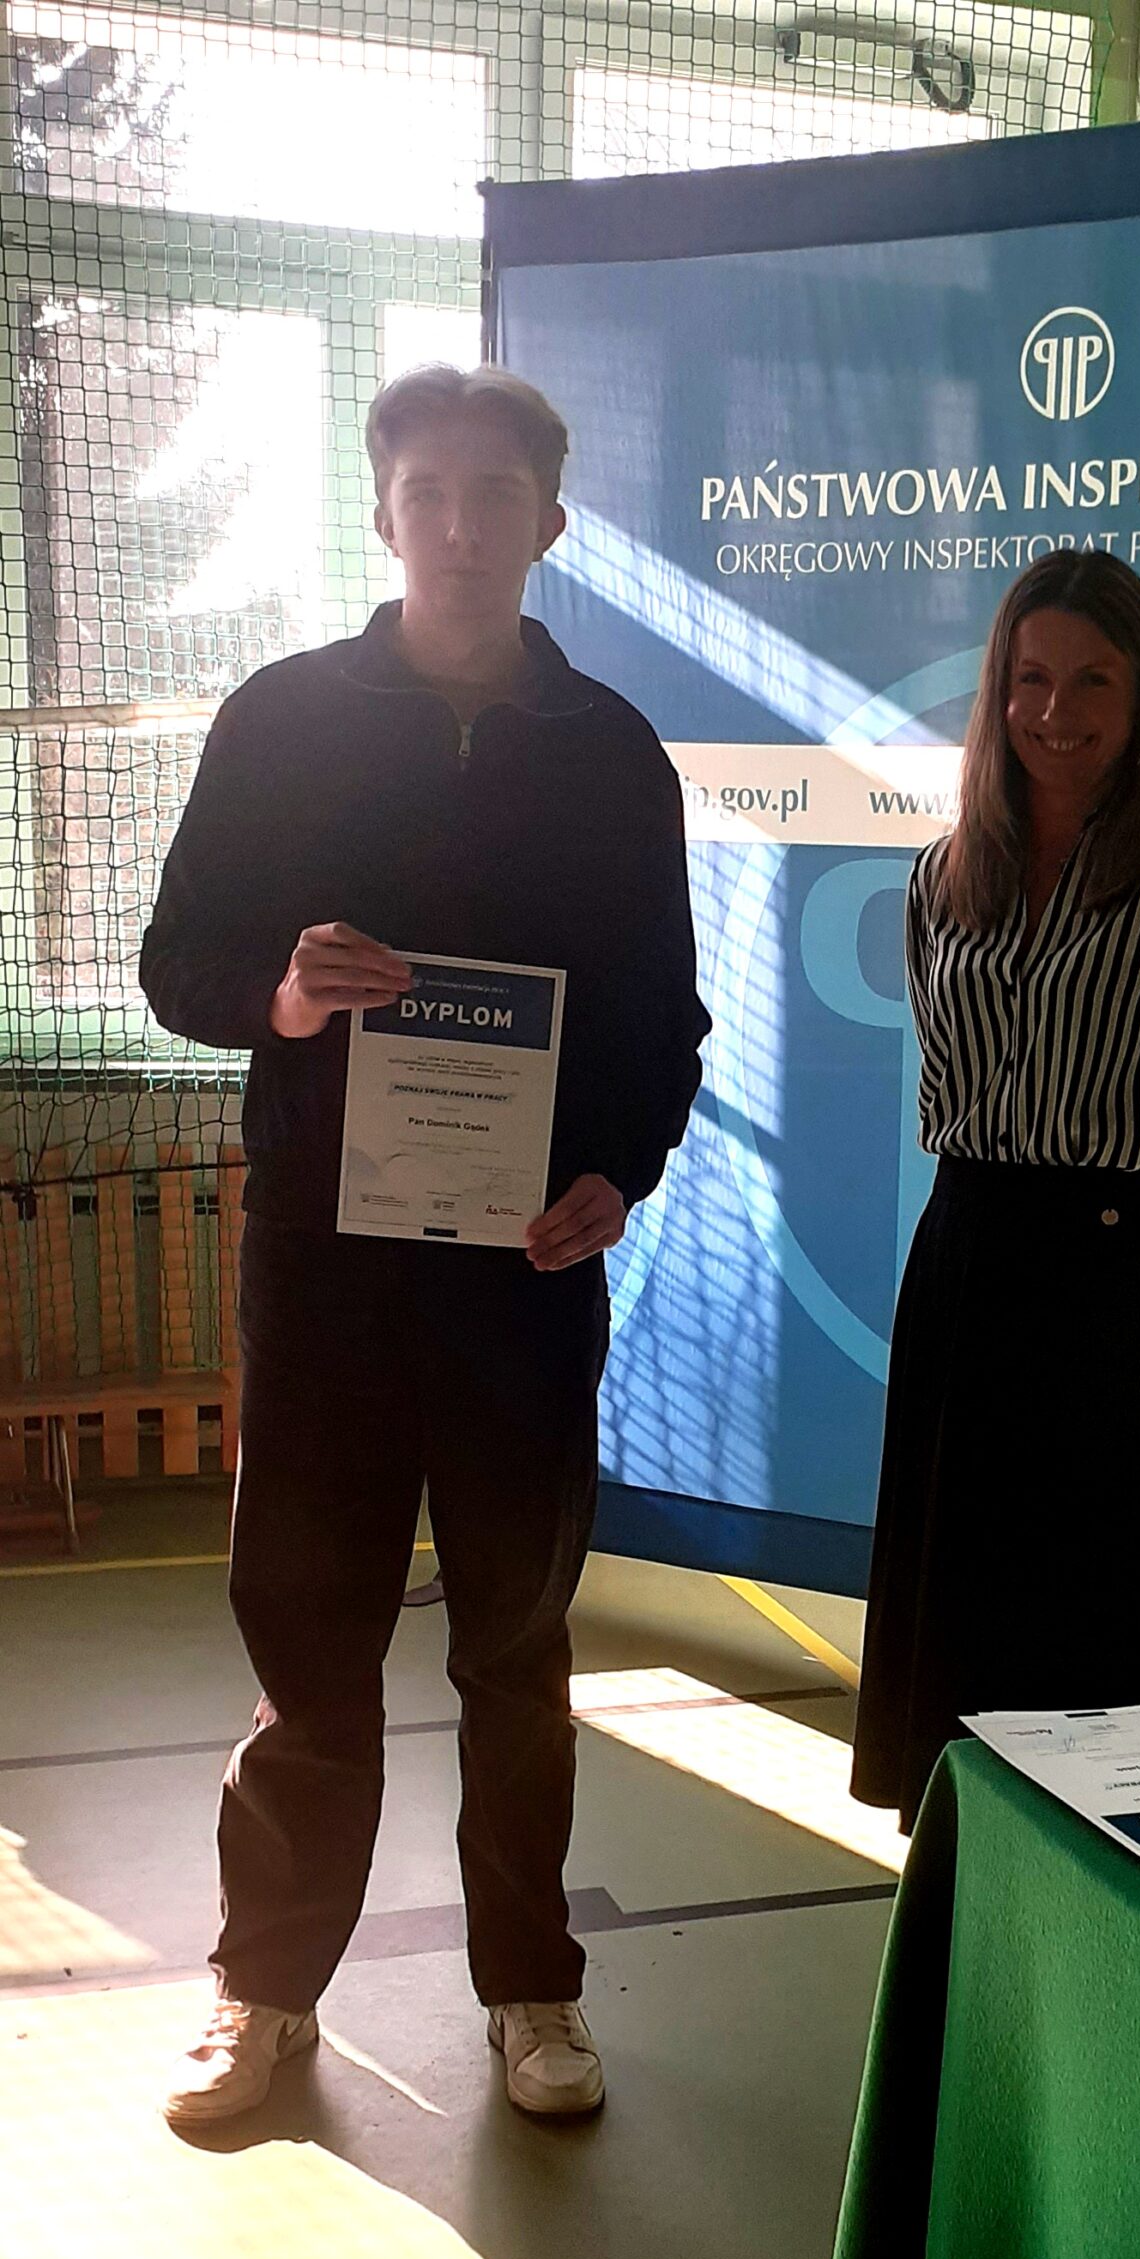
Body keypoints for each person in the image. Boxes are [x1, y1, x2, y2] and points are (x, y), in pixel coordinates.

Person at [140, 364, 709, 2122]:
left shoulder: (612, 753)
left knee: (517, 1654)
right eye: (431, 493)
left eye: (496, 495)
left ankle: (533, 1989)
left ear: (549, 521)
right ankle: (265, 1992)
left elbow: (659, 1019)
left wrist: (620, 1172)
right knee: (307, 1644)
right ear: (384, 514)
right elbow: (178, 967)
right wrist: (283, 995)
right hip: (322, 1278)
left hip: (523, 1283)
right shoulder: (280, 720)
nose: (463, 526)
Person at [850, 552, 1140, 1830]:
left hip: (1118, 1273)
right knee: (968, 1584)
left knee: (1111, 1597)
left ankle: (1112, 1872)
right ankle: (964, 1851)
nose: (1056, 711)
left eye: (1093, 680)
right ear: (996, 691)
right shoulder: (940, 875)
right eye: (1031, 678)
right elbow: (945, 1073)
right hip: (966, 1254)